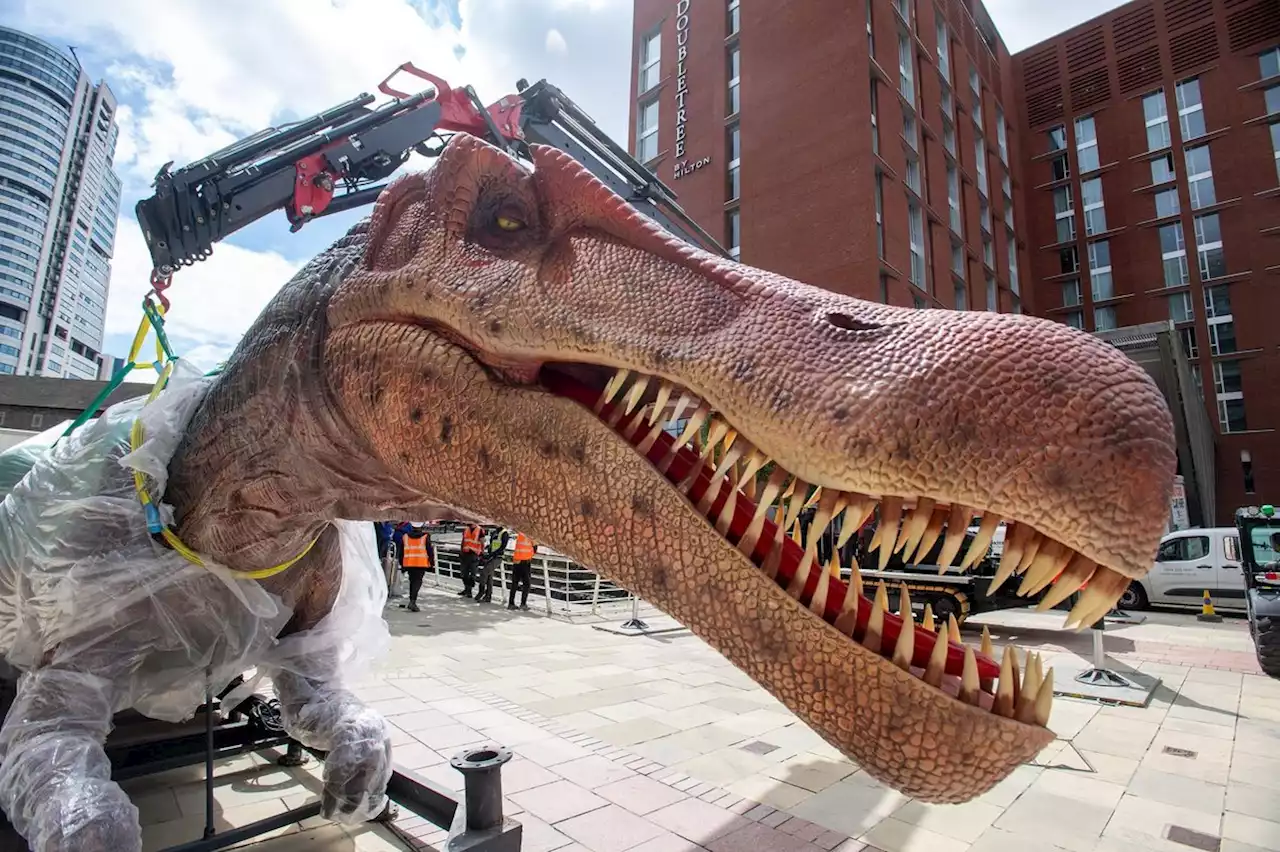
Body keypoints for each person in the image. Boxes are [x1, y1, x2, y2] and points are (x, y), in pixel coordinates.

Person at [398, 522, 435, 613]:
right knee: (417, 582)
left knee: (412, 581)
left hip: (409, 563)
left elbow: (401, 552)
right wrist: (431, 563)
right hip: (420, 563)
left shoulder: (405, 536)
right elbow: (429, 550)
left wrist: (402, 564)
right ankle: (412, 602)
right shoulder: (425, 536)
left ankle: (412, 600)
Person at [476, 526, 509, 604]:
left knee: (484, 573)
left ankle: (481, 592)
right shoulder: (495, 532)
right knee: (489, 576)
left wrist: (493, 554)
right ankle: (488, 596)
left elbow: (503, 546)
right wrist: (487, 552)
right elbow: (492, 544)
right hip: (491, 556)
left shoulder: (504, 533)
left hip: (498, 557)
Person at [508, 532, 537, 610]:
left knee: (515, 583)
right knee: (527, 584)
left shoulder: (520, 534)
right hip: (525, 561)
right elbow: (535, 547)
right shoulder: (531, 534)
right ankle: (523, 604)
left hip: (516, 560)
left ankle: (511, 603)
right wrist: (531, 555)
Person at [459, 522, 484, 598]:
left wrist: (481, 553)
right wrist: (461, 551)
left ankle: (469, 591)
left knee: (473, 574)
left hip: (474, 554)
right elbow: (463, 541)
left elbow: (482, 542)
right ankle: (467, 589)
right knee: (464, 573)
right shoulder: (466, 529)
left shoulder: (480, 530)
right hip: (465, 553)